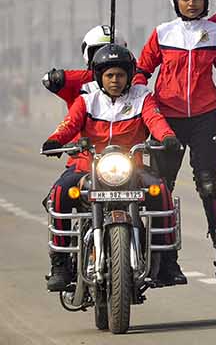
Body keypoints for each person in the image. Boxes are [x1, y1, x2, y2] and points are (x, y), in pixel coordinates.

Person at [42, 44, 183, 290]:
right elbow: (69, 124)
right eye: (109, 75)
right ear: (99, 77)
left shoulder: (142, 97)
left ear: (129, 76)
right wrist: (55, 140)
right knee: (61, 192)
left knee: (160, 191)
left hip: (132, 167)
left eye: (120, 75)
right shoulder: (87, 100)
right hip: (88, 167)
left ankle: (167, 261)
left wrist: (167, 137)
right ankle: (60, 264)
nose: (115, 80)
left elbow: (156, 120)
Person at [134, 0, 216, 258]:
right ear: (175, 1)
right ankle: (161, 252)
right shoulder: (162, 33)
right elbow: (142, 71)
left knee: (208, 182)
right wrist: (136, 97)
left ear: (206, 0)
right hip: (167, 119)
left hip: (205, 117)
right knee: (160, 186)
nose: (192, 3)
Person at [42, 24, 122, 105]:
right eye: (99, 54)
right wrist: (98, 75)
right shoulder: (79, 87)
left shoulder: (131, 83)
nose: (107, 59)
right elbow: (49, 79)